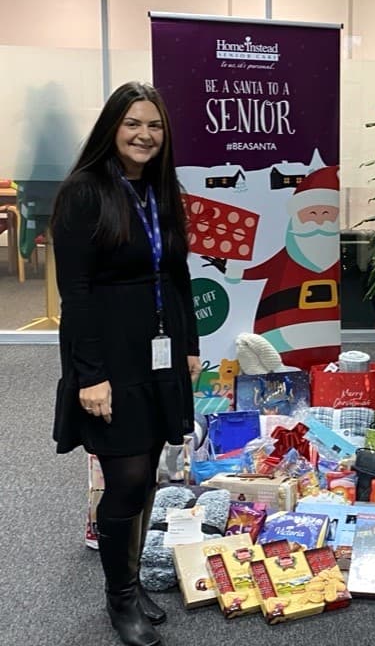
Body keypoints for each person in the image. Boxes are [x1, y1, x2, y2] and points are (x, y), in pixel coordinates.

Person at [52, 82, 201, 646]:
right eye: (133, 124)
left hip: (158, 348)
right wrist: (90, 374)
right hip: (109, 353)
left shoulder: (163, 189)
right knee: (126, 475)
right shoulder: (84, 193)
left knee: (150, 477)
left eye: (155, 126)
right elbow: (78, 291)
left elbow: (179, 274)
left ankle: (132, 580)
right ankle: (119, 601)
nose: (145, 136)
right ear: (112, 127)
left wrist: (189, 344)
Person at [224, 164, 341, 370]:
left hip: (325, 327)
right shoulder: (288, 254)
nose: (320, 221)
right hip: (281, 325)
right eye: (312, 213)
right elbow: (263, 269)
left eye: (327, 213)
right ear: (297, 216)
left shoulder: (334, 255)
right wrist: (235, 271)